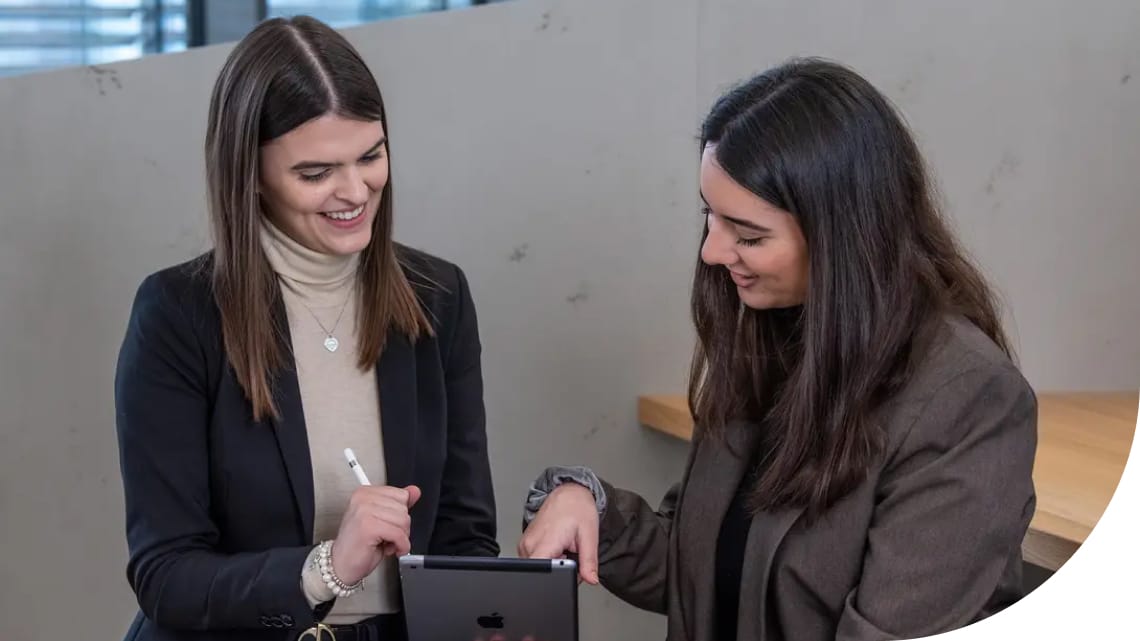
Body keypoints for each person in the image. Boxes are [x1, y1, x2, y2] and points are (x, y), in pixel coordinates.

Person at [519, 58, 1037, 641]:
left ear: (842, 235)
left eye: (749, 236)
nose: (712, 252)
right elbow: (710, 574)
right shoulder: (771, 338)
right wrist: (592, 512)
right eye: (709, 217)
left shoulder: (967, 398)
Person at [114, 16, 498, 641]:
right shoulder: (176, 315)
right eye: (315, 173)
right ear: (251, 175)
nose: (355, 191)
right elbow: (166, 574)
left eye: (371, 156)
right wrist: (325, 569)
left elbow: (463, 533)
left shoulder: (440, 297)